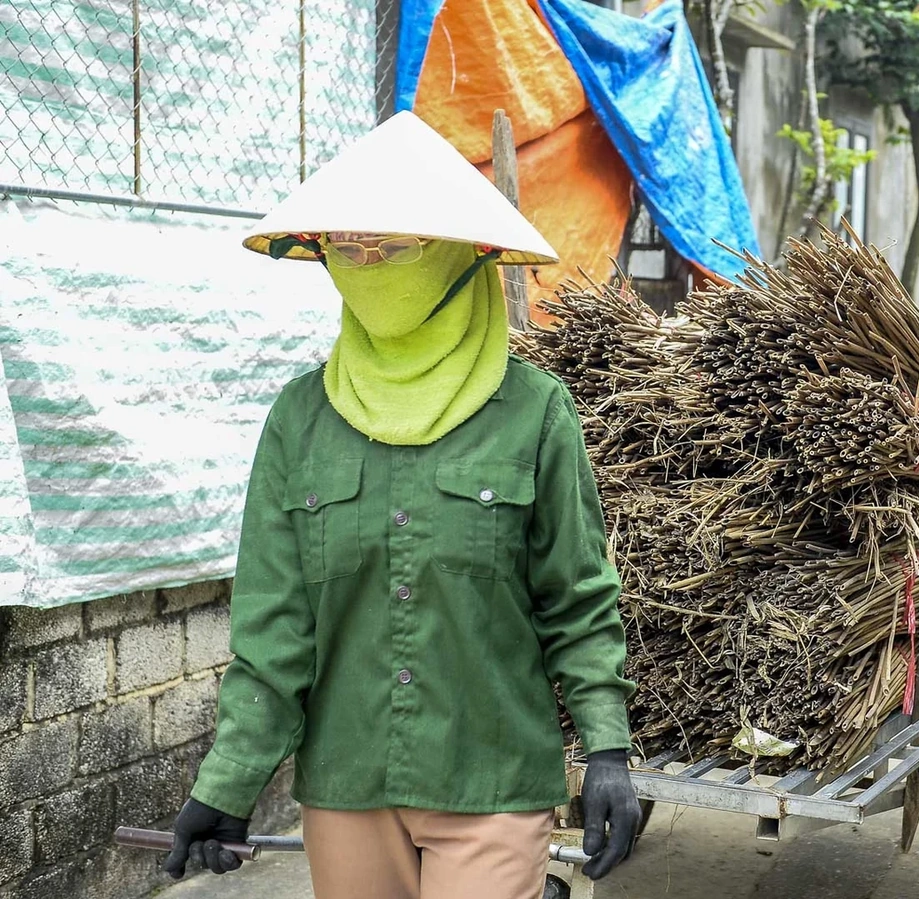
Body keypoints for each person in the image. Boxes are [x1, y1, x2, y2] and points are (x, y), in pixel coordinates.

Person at [162, 111, 641, 897]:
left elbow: (579, 601)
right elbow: (273, 627)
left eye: (395, 244)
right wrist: (229, 782)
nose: (368, 262)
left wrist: (609, 751)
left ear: (458, 252)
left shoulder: (535, 413)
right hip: (347, 783)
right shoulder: (300, 422)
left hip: (494, 779)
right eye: (350, 244)